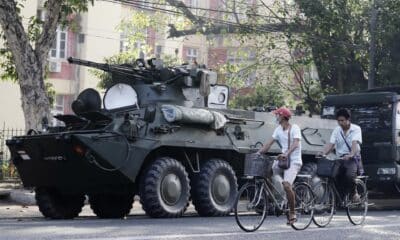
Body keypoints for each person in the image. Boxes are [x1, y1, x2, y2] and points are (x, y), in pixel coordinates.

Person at [257, 107, 302, 225]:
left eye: (277, 115)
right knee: (266, 172)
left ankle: (292, 212)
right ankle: (275, 201)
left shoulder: (294, 128)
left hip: (294, 161)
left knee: (287, 185)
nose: (276, 117)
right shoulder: (278, 130)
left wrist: (286, 153)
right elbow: (268, 144)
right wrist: (258, 153)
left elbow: (296, 143)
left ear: (283, 116)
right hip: (282, 160)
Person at [319, 108, 362, 202]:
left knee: (349, 176)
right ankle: (338, 198)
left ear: (348, 120)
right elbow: (331, 144)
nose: (340, 123)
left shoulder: (356, 129)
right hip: (340, 158)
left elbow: (354, 143)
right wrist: (323, 153)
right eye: (338, 121)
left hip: (352, 158)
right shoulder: (336, 130)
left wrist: (351, 154)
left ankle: (354, 192)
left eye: (342, 120)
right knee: (333, 175)